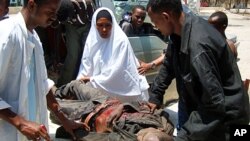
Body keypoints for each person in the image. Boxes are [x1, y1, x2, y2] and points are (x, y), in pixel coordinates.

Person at [146, 0, 249, 140]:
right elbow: (169, 64)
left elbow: (213, 103)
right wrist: (155, 95)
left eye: (155, 22)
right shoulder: (178, 33)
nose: (155, 27)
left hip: (227, 120)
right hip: (206, 111)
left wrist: (183, 137)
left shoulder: (198, 46)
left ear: (166, 17)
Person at [0, 0, 85, 140]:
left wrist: (64, 120)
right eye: (50, 12)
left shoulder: (35, 38)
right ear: (32, 5)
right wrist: (20, 123)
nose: (53, 18)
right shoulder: (6, 33)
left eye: (55, 13)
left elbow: (42, 84)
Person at [52, 80, 174, 141]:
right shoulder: (164, 123)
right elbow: (142, 104)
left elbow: (92, 137)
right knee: (76, 85)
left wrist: (73, 129)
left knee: (54, 107)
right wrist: (124, 106)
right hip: (106, 101)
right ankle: (55, 91)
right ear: (160, 130)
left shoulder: (124, 138)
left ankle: (47, 89)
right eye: (147, 137)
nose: (141, 136)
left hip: (89, 113)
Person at [77, 7, 149, 102]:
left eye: (108, 25)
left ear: (113, 25)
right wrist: (81, 81)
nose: (104, 29)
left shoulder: (120, 41)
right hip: (99, 88)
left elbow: (119, 71)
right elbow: (86, 66)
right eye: (100, 25)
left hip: (123, 92)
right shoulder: (91, 42)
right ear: (94, 25)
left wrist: (93, 80)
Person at [56, 0, 96, 87]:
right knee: (72, 56)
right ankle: (63, 85)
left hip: (87, 25)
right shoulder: (62, 7)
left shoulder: (87, 5)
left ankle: (85, 83)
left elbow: (95, 21)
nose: (69, 20)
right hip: (71, 28)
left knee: (86, 54)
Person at [120, 5, 166, 75]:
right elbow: (124, 48)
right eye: (137, 17)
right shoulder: (127, 26)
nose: (140, 20)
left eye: (142, 18)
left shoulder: (147, 27)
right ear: (131, 15)